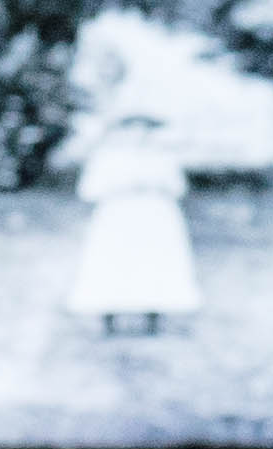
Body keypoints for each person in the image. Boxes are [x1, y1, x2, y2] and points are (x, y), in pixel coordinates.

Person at [63, 105, 199, 335]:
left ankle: (153, 317)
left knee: (153, 261)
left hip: (155, 215)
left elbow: (178, 187)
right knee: (114, 261)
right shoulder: (107, 157)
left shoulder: (162, 157)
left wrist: (153, 184)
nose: (139, 135)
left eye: (145, 129)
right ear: (121, 131)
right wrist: (123, 184)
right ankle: (109, 317)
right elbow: (88, 190)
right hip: (118, 215)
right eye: (132, 128)